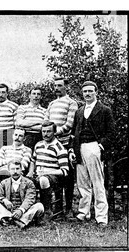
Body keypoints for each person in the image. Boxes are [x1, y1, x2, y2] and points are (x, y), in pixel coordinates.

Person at [69, 81, 115, 227]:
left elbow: (111, 132)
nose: (87, 94)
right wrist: (71, 149)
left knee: (97, 183)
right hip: (79, 147)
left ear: (96, 92)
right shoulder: (79, 111)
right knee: (82, 183)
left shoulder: (104, 110)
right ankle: (83, 212)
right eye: (85, 92)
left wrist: (101, 146)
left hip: (94, 147)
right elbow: (73, 133)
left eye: (90, 91)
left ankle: (102, 217)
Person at [45, 77, 78, 218]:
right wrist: (49, 136)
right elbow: (46, 122)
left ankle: (69, 208)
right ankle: (58, 208)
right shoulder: (51, 104)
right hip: (52, 145)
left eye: (59, 85)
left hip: (65, 144)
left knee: (68, 177)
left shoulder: (71, 103)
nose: (57, 88)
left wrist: (55, 133)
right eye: (55, 86)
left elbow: (69, 124)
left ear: (66, 87)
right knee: (55, 175)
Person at [27, 121, 69, 221]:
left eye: (48, 131)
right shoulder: (38, 145)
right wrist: (30, 172)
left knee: (43, 180)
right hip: (38, 174)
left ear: (54, 132)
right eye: (43, 131)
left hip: (54, 177)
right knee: (24, 180)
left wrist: (46, 172)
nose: (45, 134)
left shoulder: (59, 148)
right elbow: (33, 160)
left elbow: (64, 171)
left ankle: (47, 210)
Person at [0, 159, 44, 229]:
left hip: (24, 211)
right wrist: (4, 200)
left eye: (17, 169)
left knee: (39, 206)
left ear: (21, 170)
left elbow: (30, 199)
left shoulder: (29, 182)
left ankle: (15, 220)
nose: (15, 171)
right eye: (12, 169)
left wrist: (21, 210)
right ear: (8, 170)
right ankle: (11, 219)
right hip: (8, 211)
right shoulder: (4, 182)